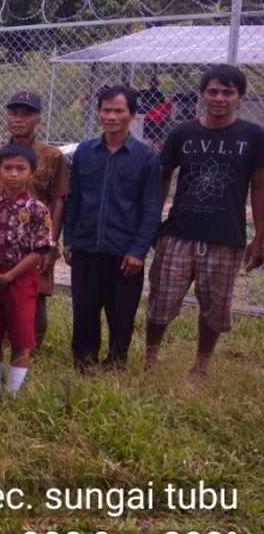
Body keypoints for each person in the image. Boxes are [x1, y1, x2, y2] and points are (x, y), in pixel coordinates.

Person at [146, 64, 264, 379]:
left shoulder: (253, 136)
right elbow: (162, 175)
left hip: (226, 235)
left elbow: (260, 187)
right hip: (179, 232)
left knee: (214, 306)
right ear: (202, 94)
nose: (219, 98)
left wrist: (260, 238)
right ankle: (150, 356)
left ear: (239, 96)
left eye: (228, 92)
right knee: (162, 298)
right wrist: (153, 221)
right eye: (213, 91)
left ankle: (201, 364)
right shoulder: (182, 133)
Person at [63, 86, 161, 371]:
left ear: (132, 114)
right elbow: (74, 198)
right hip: (86, 246)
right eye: (106, 110)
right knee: (84, 309)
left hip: (124, 253)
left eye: (118, 110)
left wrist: (138, 250)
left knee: (121, 314)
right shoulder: (84, 152)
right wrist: (69, 239)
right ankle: (84, 363)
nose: (111, 116)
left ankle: (116, 363)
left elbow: (151, 208)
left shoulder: (146, 157)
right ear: (98, 113)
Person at [0, 91, 68, 349]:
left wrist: (50, 245)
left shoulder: (51, 156)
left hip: (34, 243)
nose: (18, 119)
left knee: (36, 297)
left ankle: (31, 351)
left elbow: (58, 200)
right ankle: (0, 346)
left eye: (26, 114)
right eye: (14, 113)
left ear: (38, 119)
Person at [0, 145, 52, 396]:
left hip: (20, 277)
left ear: (32, 173)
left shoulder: (38, 209)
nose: (14, 174)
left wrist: (10, 275)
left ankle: (13, 393)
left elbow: (40, 250)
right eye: (8, 168)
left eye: (21, 169)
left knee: (20, 336)